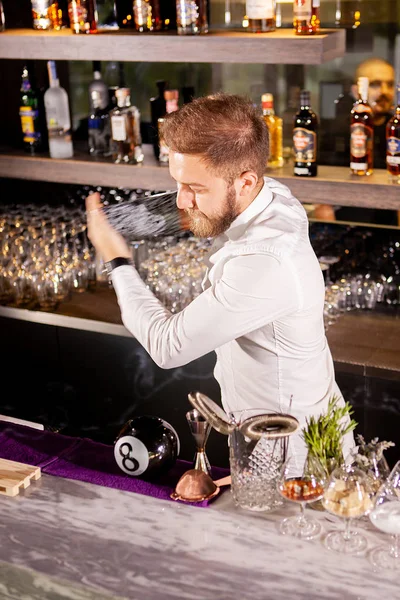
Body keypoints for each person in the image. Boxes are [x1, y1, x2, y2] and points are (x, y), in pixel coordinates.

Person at [86, 93, 354, 470]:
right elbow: (210, 210)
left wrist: (117, 259)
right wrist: (143, 217)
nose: (180, 201)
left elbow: (168, 346)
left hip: (295, 456)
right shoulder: (270, 194)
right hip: (273, 435)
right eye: (177, 183)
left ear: (245, 183)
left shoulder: (266, 262)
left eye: (194, 188)